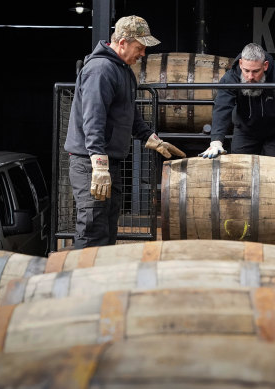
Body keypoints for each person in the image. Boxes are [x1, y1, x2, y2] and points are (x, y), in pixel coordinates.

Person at [64, 15, 185, 249]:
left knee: (107, 231)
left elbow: (129, 112)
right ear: (122, 42)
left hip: (109, 163)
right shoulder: (100, 70)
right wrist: (98, 163)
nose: (143, 54)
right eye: (139, 48)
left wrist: (150, 137)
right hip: (91, 164)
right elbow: (93, 118)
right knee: (92, 230)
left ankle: (98, 281)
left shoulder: (123, 70)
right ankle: (81, 283)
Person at [199, 42, 275, 166]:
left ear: (265, 66)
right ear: (240, 64)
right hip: (245, 130)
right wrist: (216, 142)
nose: (250, 77)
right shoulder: (231, 77)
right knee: (239, 167)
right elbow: (222, 108)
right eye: (246, 70)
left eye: (256, 71)